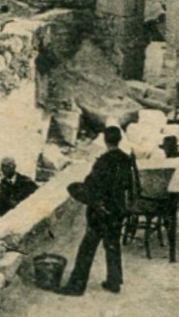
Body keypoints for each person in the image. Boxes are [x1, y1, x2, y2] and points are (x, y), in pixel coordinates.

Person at [60, 126, 139, 296]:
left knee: (87, 248)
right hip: (118, 210)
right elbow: (128, 185)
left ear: (105, 140)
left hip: (101, 211)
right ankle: (114, 282)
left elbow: (91, 185)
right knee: (113, 245)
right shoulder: (125, 159)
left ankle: (76, 286)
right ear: (119, 139)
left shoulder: (103, 161)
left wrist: (80, 191)